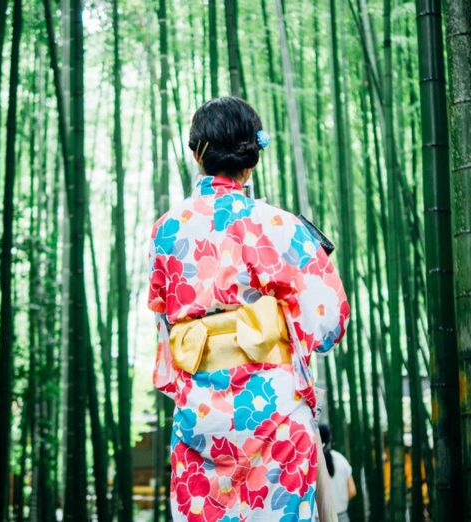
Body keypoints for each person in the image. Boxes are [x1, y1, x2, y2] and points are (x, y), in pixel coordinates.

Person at [147, 97, 350, 521]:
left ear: (197, 154)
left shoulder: (165, 230)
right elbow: (330, 321)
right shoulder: (278, 225)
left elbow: (165, 323)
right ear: (252, 159)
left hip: (199, 415)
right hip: (276, 412)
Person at [318, 424, 356, 522]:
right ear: (329, 439)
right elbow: (352, 491)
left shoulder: (311, 463)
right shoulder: (341, 459)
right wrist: (339, 501)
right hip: (341, 516)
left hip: (320, 518)